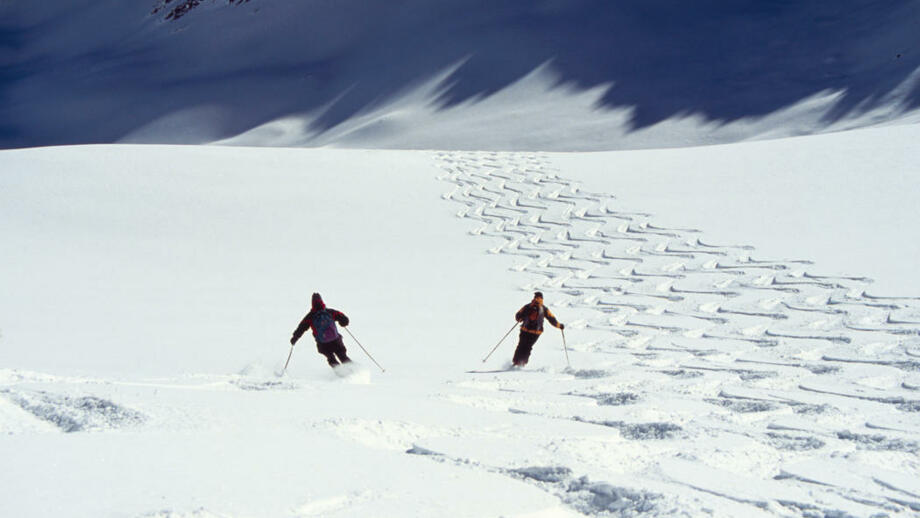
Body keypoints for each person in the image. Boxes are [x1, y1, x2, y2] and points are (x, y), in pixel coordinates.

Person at [291, 293, 352, 367]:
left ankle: (340, 373)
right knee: (342, 356)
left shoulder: (310, 316)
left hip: (322, 343)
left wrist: (295, 338)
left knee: (331, 358)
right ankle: (354, 371)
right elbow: (343, 318)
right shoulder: (330, 312)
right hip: (336, 340)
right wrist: (343, 322)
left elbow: (301, 328)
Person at [512, 291, 564, 367]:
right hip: (535, 333)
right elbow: (552, 319)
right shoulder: (544, 308)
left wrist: (521, 318)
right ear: (542, 298)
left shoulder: (528, 306)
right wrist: (560, 326)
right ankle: (522, 363)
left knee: (521, 345)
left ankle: (516, 362)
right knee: (528, 347)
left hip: (524, 330)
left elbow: (517, 316)